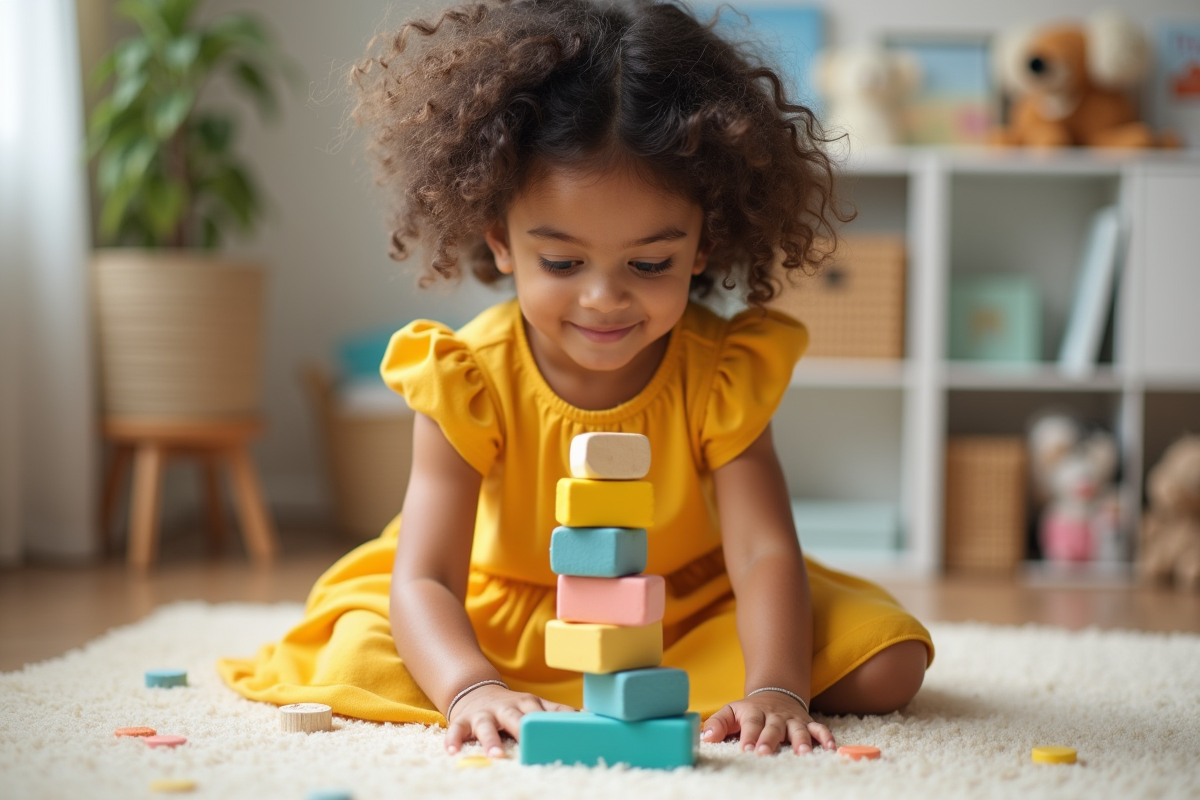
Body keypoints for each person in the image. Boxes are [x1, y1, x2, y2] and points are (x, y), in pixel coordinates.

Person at [218, 0, 933, 759]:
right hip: (496, 615)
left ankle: (690, 689)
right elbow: (424, 578)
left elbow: (761, 554)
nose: (603, 299)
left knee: (888, 663)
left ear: (702, 244)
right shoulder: (469, 377)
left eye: (649, 263)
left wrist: (777, 690)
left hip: (680, 607)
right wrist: (469, 685)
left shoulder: (722, 372)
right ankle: (508, 692)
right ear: (500, 241)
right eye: (562, 262)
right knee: (361, 650)